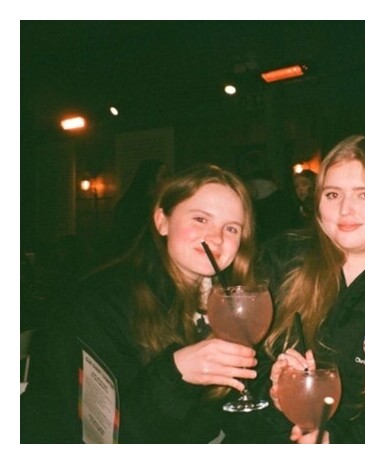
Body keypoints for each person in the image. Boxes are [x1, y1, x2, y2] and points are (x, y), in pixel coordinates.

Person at [21, 164, 259, 443]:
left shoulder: (229, 304)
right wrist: (176, 374)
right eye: (200, 219)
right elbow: (103, 436)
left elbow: (225, 417)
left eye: (231, 228)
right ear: (162, 221)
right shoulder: (96, 304)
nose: (216, 238)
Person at [229, 135, 365, 444]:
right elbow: (235, 375)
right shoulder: (282, 258)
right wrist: (271, 389)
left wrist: (336, 442)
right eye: (333, 194)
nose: (345, 210)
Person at [104, 159, 169, 262]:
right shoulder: (134, 204)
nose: (167, 181)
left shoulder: (160, 203)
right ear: (150, 179)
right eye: (163, 176)